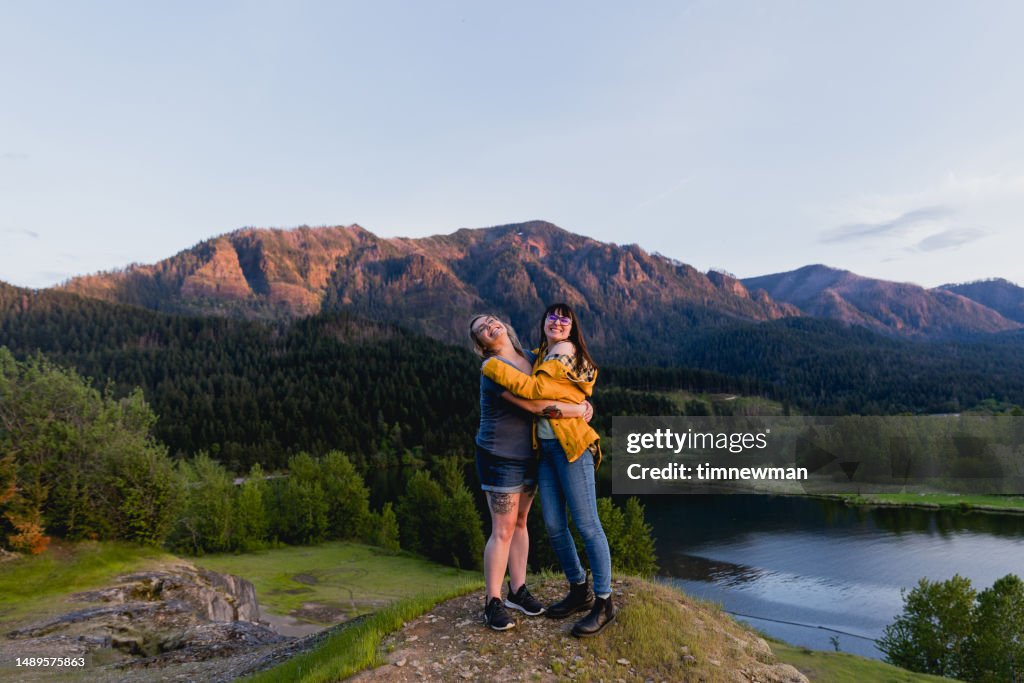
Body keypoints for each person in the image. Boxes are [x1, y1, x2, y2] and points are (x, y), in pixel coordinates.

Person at [480, 302, 615, 637]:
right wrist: (581, 405)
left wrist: (492, 367)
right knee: (554, 525)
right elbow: (549, 397)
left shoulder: (564, 351)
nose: (557, 322)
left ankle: (604, 602)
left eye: (564, 319)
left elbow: (536, 393)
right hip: (543, 451)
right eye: (551, 317)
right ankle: (578, 588)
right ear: (542, 324)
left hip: (571, 447)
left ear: (572, 329)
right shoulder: (539, 355)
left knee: (587, 524)